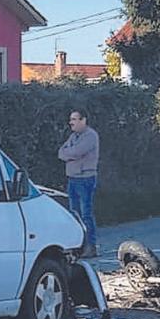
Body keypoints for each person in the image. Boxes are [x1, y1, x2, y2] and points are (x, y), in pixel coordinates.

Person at [58, 108, 99, 258]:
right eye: (71, 119)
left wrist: (70, 153)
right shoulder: (73, 136)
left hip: (85, 179)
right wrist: (69, 153)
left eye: (74, 119)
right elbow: (61, 152)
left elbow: (77, 152)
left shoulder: (90, 136)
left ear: (83, 120)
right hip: (72, 178)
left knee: (86, 213)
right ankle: (78, 245)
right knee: (74, 213)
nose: (71, 122)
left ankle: (91, 246)